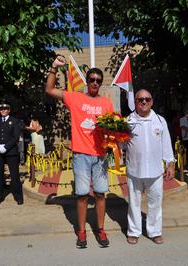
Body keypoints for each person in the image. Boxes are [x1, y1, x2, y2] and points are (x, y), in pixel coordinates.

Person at [45, 55, 114, 248]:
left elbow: (112, 129)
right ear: (87, 81)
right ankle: (82, 232)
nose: (94, 83)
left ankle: (100, 229)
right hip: (81, 155)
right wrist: (54, 68)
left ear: (100, 83)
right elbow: (49, 90)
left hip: (100, 155)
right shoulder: (75, 98)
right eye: (91, 79)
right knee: (82, 195)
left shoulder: (106, 103)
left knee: (100, 194)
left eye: (98, 81)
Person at [124, 89, 175, 245]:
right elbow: (120, 143)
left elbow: (166, 144)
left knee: (155, 202)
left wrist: (170, 163)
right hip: (134, 170)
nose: (144, 102)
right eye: (140, 100)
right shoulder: (128, 121)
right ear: (136, 102)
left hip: (155, 171)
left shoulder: (160, 120)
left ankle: (155, 231)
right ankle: (134, 231)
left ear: (152, 101)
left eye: (147, 99)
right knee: (134, 203)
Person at [0, 101, 23, 206]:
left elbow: (16, 137)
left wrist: (6, 146)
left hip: (11, 151)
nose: (3, 111)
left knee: (14, 175)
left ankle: (18, 196)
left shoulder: (15, 121)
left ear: (9, 110)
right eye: (1, 109)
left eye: (5, 109)